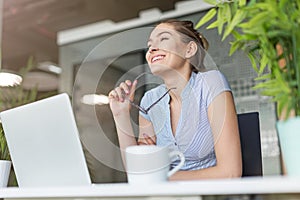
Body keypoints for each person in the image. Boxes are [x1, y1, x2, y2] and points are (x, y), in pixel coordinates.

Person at [108, 19, 242, 180]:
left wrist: (161, 179)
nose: (152, 49)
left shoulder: (210, 83)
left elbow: (230, 172)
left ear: (189, 49)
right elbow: (138, 170)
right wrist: (120, 115)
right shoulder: (150, 100)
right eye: (149, 45)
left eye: (164, 39)